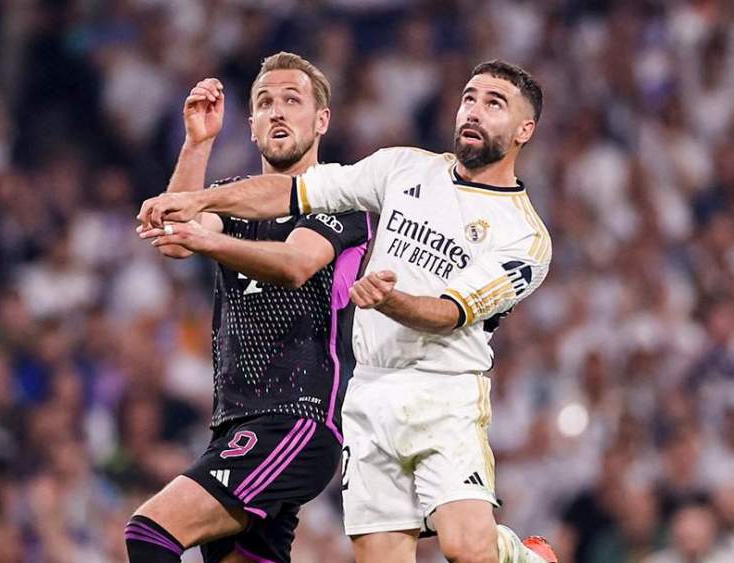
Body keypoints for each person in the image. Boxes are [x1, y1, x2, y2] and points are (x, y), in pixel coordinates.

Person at [138, 59, 557, 563]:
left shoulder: (524, 237)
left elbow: (448, 312)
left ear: (524, 130)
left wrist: (389, 299)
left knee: (467, 548)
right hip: (366, 396)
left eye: (494, 104)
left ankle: (519, 555)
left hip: (434, 391)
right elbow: (287, 194)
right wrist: (195, 183)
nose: (474, 111)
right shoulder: (403, 168)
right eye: (469, 98)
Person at [126, 52, 370, 563]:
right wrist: (198, 144)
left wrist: (205, 235)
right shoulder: (227, 200)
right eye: (264, 102)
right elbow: (172, 237)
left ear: (321, 120)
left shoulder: (342, 200)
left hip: (295, 420)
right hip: (234, 424)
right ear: (252, 125)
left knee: (150, 532)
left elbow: (295, 264)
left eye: (291, 100)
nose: (277, 111)